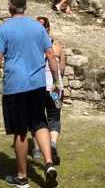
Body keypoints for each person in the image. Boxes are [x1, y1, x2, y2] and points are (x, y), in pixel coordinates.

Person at [0, 0, 61, 188]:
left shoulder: (5, 28)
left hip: (16, 86)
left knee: (20, 131)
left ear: (10, 8)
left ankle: (22, 177)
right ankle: (48, 164)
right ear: (25, 8)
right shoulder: (38, 27)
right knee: (40, 123)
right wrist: (56, 81)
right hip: (37, 84)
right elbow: (51, 56)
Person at [31, 16, 66, 166]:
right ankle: (52, 142)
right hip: (56, 89)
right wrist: (57, 82)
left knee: (36, 118)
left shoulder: (31, 47)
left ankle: (37, 149)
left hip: (37, 89)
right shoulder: (57, 47)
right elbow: (62, 68)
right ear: (48, 29)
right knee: (54, 117)